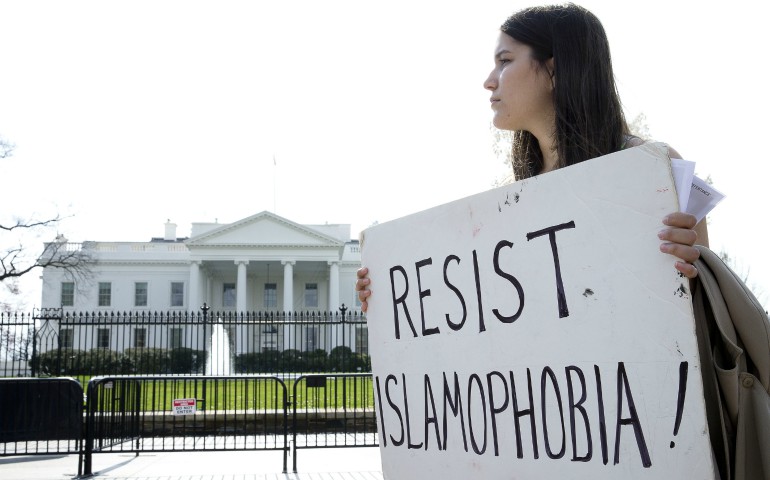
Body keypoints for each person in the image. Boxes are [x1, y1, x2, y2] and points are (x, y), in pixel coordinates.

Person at [356, 3, 707, 312]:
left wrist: (692, 267)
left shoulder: (653, 168)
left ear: (553, 70)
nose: (489, 82)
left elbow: (708, 300)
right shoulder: (510, 200)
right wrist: (390, 296)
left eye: (505, 61)